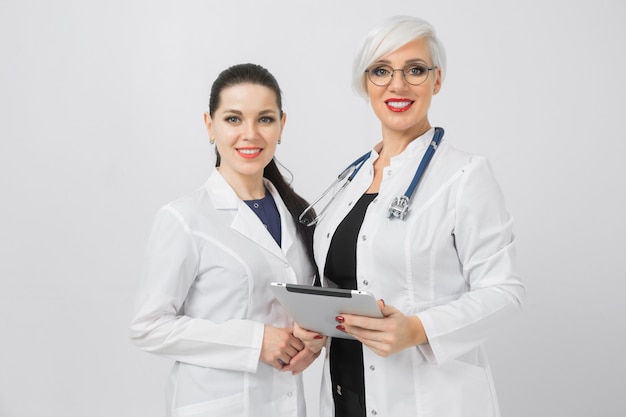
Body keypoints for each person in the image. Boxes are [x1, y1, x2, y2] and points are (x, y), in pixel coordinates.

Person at [295, 16, 525, 417]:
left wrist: (418, 330)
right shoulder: (351, 182)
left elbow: (505, 292)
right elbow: (340, 286)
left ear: (436, 81)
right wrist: (312, 325)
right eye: (381, 71)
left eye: (415, 70)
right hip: (345, 393)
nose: (397, 85)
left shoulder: (464, 175)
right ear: (365, 84)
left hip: (429, 399)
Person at [130, 63, 321, 417]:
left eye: (264, 119)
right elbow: (148, 327)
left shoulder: (299, 216)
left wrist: (313, 339)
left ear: (281, 126)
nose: (250, 134)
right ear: (210, 126)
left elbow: (300, 305)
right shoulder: (184, 218)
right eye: (233, 119)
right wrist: (254, 341)